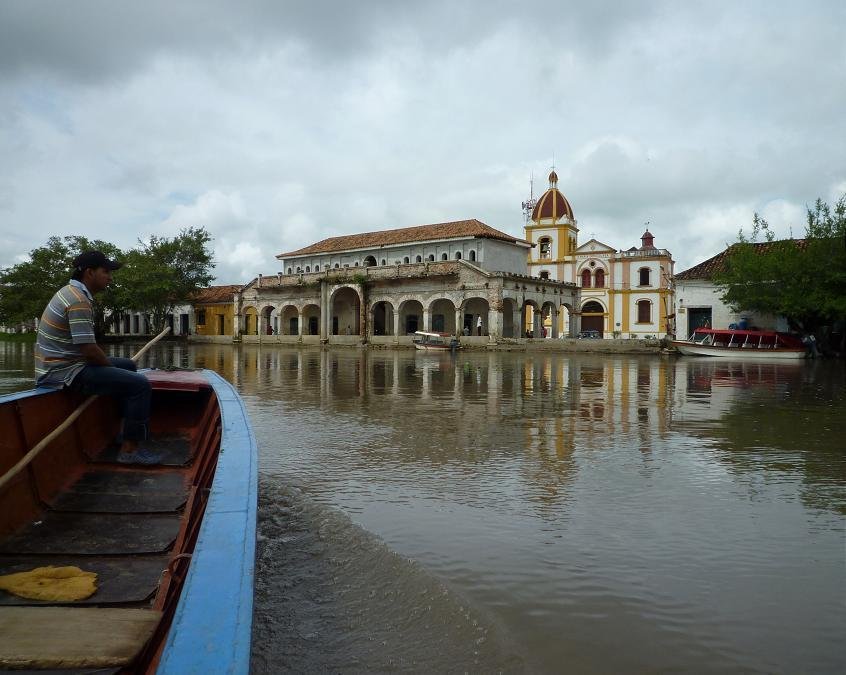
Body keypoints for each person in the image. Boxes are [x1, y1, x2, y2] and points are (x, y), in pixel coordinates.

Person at [34, 251, 159, 465]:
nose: (110, 278)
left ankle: (124, 432)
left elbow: (86, 350)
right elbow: (89, 349)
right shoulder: (78, 300)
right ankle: (130, 451)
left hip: (67, 364)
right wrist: (109, 368)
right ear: (89, 273)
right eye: (106, 272)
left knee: (128, 366)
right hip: (64, 372)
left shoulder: (70, 292)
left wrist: (112, 369)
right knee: (140, 385)